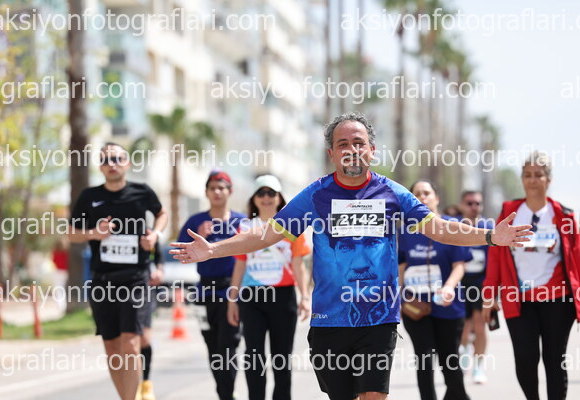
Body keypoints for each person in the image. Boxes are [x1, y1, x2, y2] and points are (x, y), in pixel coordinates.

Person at [171, 112, 532, 400]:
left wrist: (490, 236)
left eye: (358, 143)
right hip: (330, 320)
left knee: (373, 394)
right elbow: (267, 233)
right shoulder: (316, 196)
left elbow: (437, 227)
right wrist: (214, 248)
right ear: (331, 153)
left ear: (372, 150)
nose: (351, 149)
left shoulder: (392, 194)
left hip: (379, 317)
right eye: (342, 144)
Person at [69, 142, 168, 400]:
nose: (111, 164)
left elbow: (162, 214)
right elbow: (71, 233)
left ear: (127, 163)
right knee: (112, 348)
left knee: (131, 344)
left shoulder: (141, 192)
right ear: (100, 166)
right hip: (103, 282)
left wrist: (155, 235)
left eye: (117, 159)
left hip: (135, 280)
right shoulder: (89, 197)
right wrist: (94, 233)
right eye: (106, 160)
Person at [483, 151, 580, 400]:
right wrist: (489, 294)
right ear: (522, 179)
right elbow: (496, 256)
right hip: (519, 300)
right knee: (525, 358)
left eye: (539, 175)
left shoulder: (564, 216)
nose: (533, 180)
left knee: (554, 358)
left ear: (549, 179)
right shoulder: (509, 212)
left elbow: (576, 260)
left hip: (557, 299)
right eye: (527, 175)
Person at [227, 174, 311, 400]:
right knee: (254, 357)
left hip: (283, 297)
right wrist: (232, 300)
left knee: (281, 358)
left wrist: (305, 297)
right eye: (261, 193)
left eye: (271, 193)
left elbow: (298, 264)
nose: (266, 198)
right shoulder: (245, 227)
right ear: (254, 199)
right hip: (252, 298)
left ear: (279, 197)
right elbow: (240, 265)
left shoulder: (292, 226)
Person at [399, 180, 471, 400]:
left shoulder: (452, 225)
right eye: (417, 194)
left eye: (426, 193)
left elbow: (459, 265)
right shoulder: (404, 230)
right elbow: (401, 267)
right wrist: (400, 297)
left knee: (450, 361)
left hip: (447, 305)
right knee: (424, 359)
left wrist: (449, 287)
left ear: (437, 198)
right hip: (415, 307)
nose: (422, 197)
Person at [176, 170, 246, 400]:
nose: (217, 192)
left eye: (221, 188)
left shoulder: (241, 222)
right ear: (206, 192)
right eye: (212, 188)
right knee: (213, 347)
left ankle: (227, 394)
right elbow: (178, 250)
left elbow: (253, 252)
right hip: (204, 292)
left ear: (230, 191)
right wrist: (197, 237)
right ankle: (224, 393)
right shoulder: (196, 221)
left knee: (228, 345)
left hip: (231, 291)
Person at [458, 190, 493, 384]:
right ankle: (464, 357)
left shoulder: (488, 227)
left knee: (480, 325)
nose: (473, 207)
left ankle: (478, 367)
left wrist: (495, 290)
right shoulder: (454, 226)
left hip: (481, 283)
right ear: (462, 205)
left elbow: (495, 259)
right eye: (469, 203)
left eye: (477, 203)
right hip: (459, 283)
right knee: (464, 327)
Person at [137, 241, 164, 400]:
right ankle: (132, 386)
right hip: (118, 287)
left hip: (144, 287)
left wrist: (159, 271)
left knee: (144, 339)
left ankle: (146, 382)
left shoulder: (149, 232)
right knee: (126, 341)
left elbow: (158, 257)